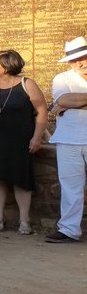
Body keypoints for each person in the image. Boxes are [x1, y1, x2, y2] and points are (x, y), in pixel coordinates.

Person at [0, 49, 48, 236]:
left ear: (6, 66)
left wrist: (37, 137)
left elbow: (41, 110)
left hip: (19, 139)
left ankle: (24, 220)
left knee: (21, 178)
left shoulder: (26, 84)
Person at [47, 37, 87, 243]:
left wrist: (74, 102)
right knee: (71, 186)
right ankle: (69, 229)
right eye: (75, 60)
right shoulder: (62, 78)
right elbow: (63, 100)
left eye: (83, 57)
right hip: (69, 139)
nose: (80, 63)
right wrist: (66, 103)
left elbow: (66, 102)